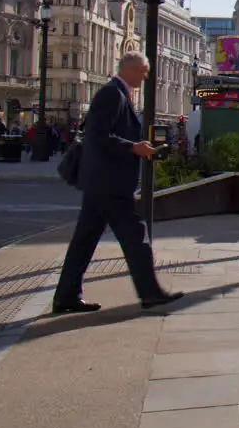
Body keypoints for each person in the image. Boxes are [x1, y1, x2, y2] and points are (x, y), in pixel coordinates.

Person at [51, 51, 184, 313]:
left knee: (85, 241)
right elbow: (97, 135)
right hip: (109, 183)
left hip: (103, 183)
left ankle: (66, 295)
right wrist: (133, 148)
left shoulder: (118, 94)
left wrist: (135, 147)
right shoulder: (112, 94)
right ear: (131, 69)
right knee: (136, 238)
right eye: (144, 71)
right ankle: (150, 293)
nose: (146, 76)